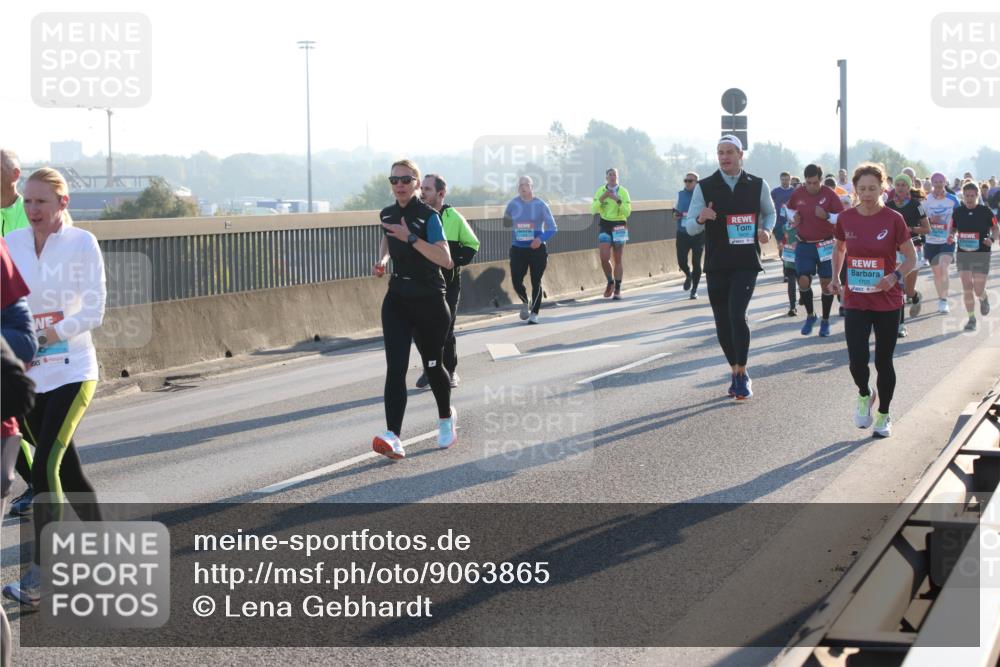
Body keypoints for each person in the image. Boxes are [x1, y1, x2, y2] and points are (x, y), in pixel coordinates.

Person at [2, 168, 106, 606]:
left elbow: (96, 310)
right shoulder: (12, 244)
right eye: (27, 202)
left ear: (63, 203)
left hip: (72, 369)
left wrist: (49, 334)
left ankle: (44, 575)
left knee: (45, 467)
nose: (32, 210)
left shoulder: (82, 243)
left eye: (41, 202)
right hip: (29, 377)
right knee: (67, 471)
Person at [371, 160, 457, 460]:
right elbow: (387, 234)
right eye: (394, 179)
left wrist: (411, 237)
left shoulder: (429, 216)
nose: (399, 184)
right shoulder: (387, 213)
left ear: (417, 183)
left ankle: (446, 418)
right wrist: (382, 260)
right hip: (398, 298)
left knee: (433, 366)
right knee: (396, 369)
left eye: (406, 179)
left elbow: (446, 260)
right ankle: (393, 436)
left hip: (430, 299)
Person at [684, 134, 776, 400]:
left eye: (729, 152)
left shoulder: (757, 185)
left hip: (746, 262)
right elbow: (689, 227)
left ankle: (743, 373)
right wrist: (701, 217)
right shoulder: (705, 186)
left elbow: (770, 212)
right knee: (722, 322)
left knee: (737, 314)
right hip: (716, 263)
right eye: (720, 152)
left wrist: (767, 230)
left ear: (740, 155)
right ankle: (734, 369)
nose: (724, 157)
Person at [830, 163, 917, 439]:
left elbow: (911, 258)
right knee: (856, 361)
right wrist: (835, 277)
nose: (866, 194)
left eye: (872, 189)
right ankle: (865, 394)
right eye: (862, 189)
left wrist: (894, 276)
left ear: (883, 189)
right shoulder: (846, 218)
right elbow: (839, 248)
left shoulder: (893, 219)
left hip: (887, 301)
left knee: (883, 361)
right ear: (855, 190)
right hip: (855, 298)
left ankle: (883, 415)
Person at [414, 174, 480, 389]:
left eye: (427, 189)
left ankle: (450, 371)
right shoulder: (418, 215)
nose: (422, 192)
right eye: (421, 188)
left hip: (448, 284)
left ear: (440, 194)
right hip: (423, 283)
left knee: (445, 329)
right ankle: (430, 369)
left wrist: (454, 261)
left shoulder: (453, 217)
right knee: (423, 331)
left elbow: (472, 244)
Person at [1, 149, 35, 515]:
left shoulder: (28, 210)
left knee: (19, 410)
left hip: (21, 311)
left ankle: (43, 482)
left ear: (14, 173)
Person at [787, 164, 846, 337]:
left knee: (826, 284)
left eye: (815, 182)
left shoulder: (829, 194)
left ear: (821, 180)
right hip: (804, 244)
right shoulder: (798, 193)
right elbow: (789, 209)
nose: (812, 186)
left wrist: (827, 216)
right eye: (808, 182)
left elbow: (842, 217)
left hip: (825, 244)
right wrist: (793, 217)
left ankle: (826, 321)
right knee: (803, 280)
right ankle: (811, 315)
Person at [506, 176, 557, 323]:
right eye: (520, 185)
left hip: (537, 249)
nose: (523, 187)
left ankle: (534, 313)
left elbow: (553, 228)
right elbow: (507, 221)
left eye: (526, 184)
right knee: (516, 280)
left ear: (531, 187)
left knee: (536, 281)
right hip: (518, 248)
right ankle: (524, 300)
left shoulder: (541, 205)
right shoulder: (513, 204)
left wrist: (540, 239)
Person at [885, 174, 930, 337]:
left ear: (909, 187)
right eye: (898, 184)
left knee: (909, 291)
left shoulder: (916, 205)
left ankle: (916, 297)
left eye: (904, 185)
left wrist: (911, 229)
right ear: (894, 187)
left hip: (913, 249)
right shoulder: (887, 205)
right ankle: (900, 325)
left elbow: (927, 229)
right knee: (899, 287)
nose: (901, 187)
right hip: (895, 251)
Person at [954, 181, 999, 331]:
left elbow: (996, 229)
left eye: (972, 195)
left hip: (981, 253)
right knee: (967, 287)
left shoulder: (986, 211)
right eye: (967, 195)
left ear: (977, 195)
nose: (969, 198)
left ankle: (983, 297)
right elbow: (952, 228)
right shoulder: (958, 212)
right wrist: (949, 236)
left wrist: (991, 239)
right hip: (963, 253)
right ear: (963, 195)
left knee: (978, 289)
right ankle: (971, 318)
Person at [923, 172, 960, 313]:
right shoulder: (927, 199)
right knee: (937, 272)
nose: (938, 184)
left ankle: (944, 301)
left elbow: (959, 217)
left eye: (941, 181)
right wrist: (930, 220)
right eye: (935, 182)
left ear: (945, 182)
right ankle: (941, 298)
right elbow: (920, 216)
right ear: (932, 184)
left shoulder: (953, 199)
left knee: (944, 268)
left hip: (947, 239)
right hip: (931, 240)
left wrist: (954, 233)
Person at [591, 168, 632, 300]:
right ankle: (610, 281)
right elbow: (593, 210)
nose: (612, 176)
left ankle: (618, 288)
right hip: (605, 224)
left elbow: (627, 212)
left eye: (615, 174)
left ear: (617, 177)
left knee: (618, 258)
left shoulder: (623, 192)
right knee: (604, 257)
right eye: (610, 174)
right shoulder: (600, 191)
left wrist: (617, 199)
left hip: (620, 224)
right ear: (606, 177)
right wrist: (603, 198)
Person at [674, 172, 703, 299]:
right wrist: (675, 215)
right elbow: (674, 211)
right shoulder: (679, 194)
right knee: (681, 261)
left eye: (690, 181)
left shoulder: (702, 195)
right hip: (682, 232)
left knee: (696, 262)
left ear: (697, 183)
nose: (687, 183)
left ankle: (694, 289)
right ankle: (688, 275)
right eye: (685, 180)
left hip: (698, 233)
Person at [771, 171, 795, 280]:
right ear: (780, 180)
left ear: (790, 180)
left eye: (787, 179)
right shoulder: (775, 192)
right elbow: (769, 207)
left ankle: (789, 272)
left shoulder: (794, 191)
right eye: (783, 179)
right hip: (779, 223)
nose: (785, 181)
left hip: (792, 224)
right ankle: (785, 267)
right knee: (782, 246)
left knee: (791, 246)